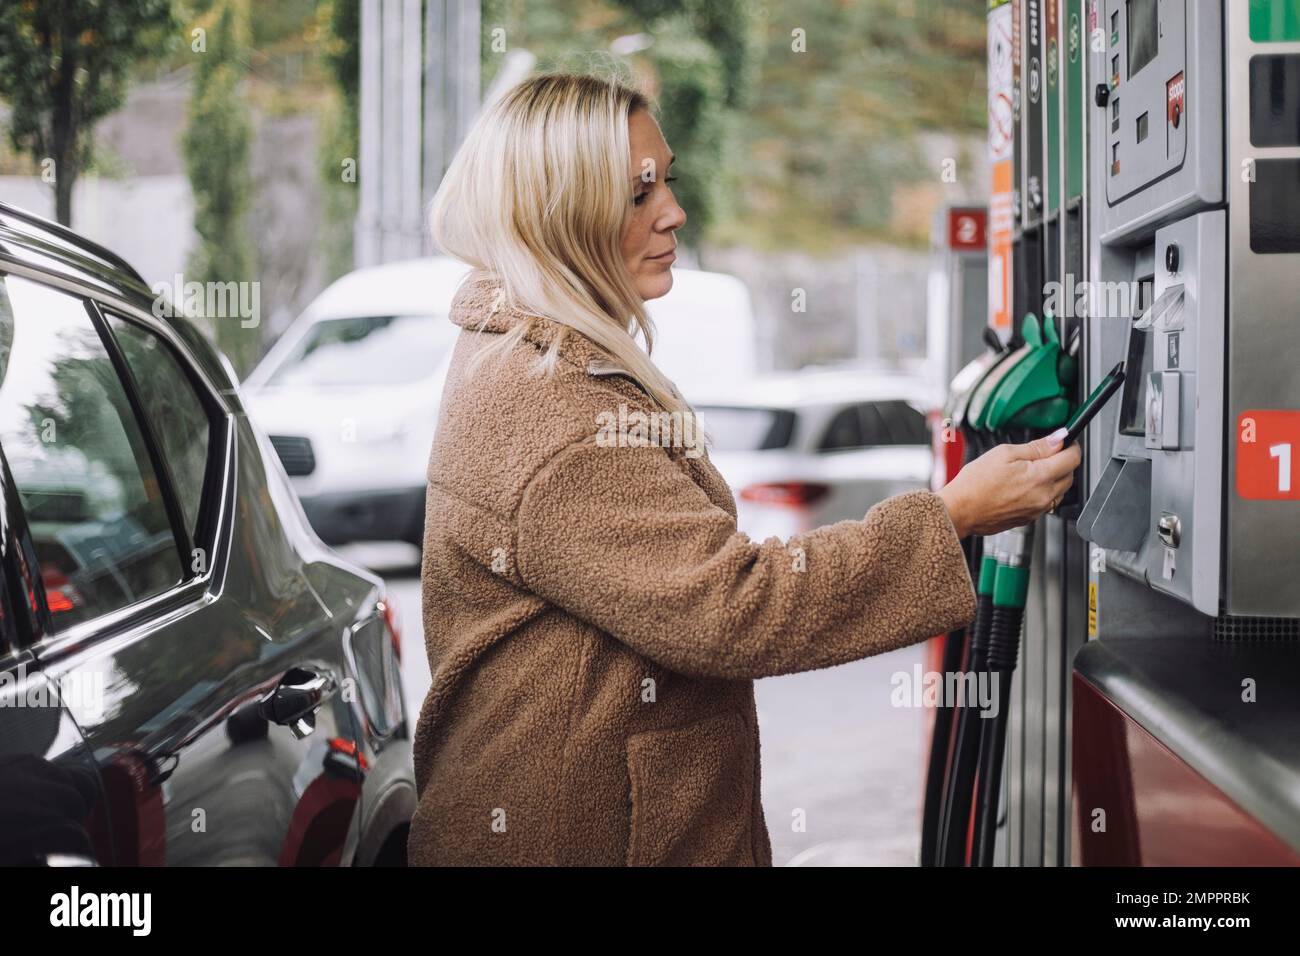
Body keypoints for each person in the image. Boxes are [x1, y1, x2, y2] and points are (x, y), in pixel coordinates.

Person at [408, 72, 1081, 866]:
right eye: (637, 193)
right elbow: (736, 609)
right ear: (560, 214)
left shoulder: (521, 353)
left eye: (668, 180)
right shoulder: (555, 409)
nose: (674, 212)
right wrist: (953, 516)